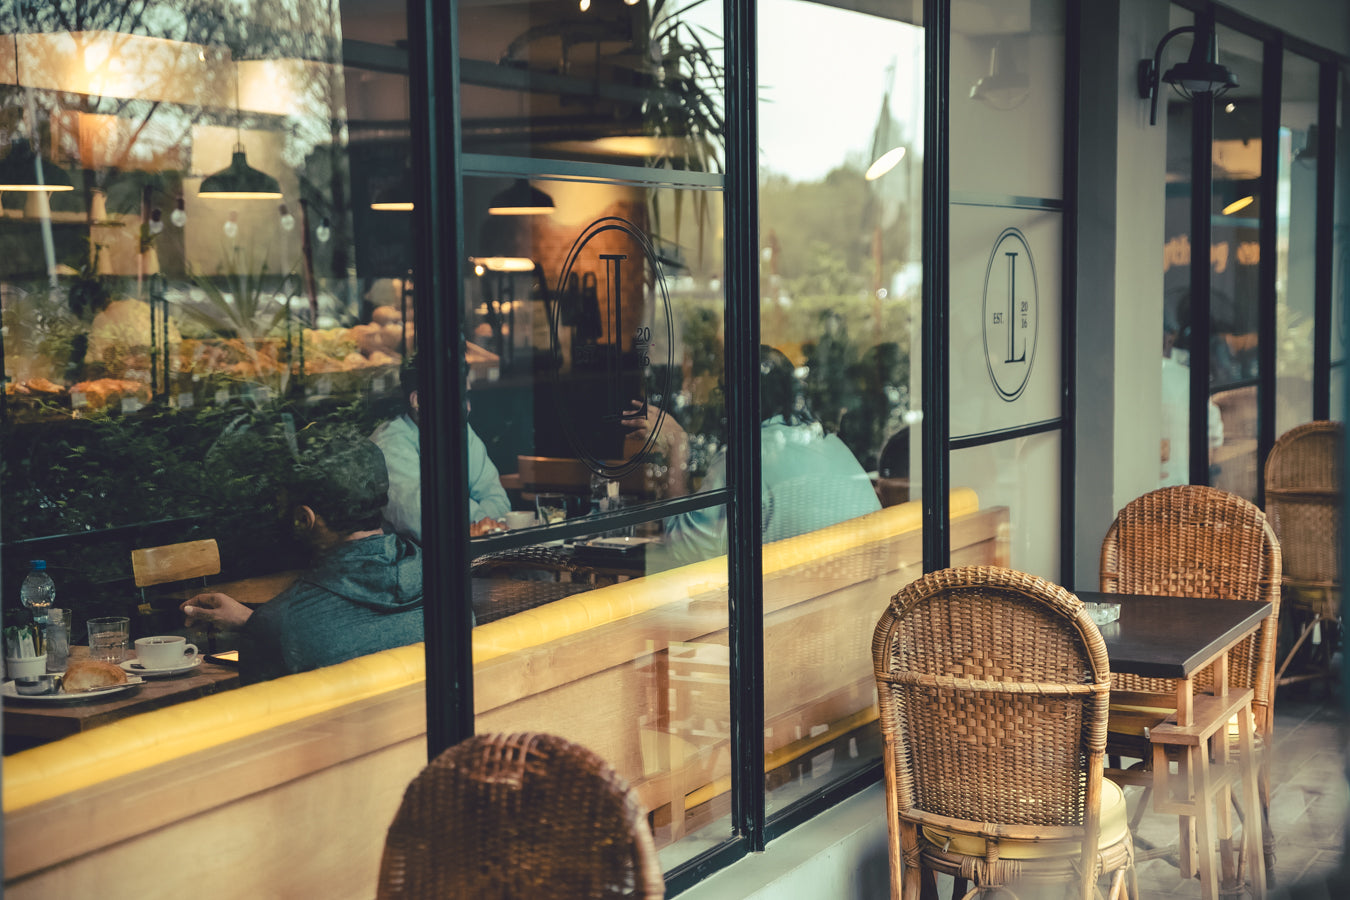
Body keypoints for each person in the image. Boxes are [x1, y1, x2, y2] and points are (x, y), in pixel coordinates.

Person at [181, 438, 424, 684]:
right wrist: (256, 623)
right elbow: (365, 630)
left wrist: (266, 627)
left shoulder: (280, 625)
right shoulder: (443, 576)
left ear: (303, 518)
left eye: (279, 506)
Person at [658, 345, 882, 567]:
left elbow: (683, 551)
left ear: (737, 398)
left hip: (798, 598)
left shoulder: (747, 456)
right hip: (863, 595)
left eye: (722, 392)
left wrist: (677, 445)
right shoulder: (828, 442)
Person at [370, 354, 511, 540]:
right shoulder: (389, 444)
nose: (467, 408)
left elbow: (498, 501)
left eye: (466, 396)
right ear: (418, 401)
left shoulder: (460, 431)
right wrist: (484, 523)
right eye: (457, 397)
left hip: (468, 554)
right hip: (414, 563)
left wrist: (478, 524)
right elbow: (425, 518)